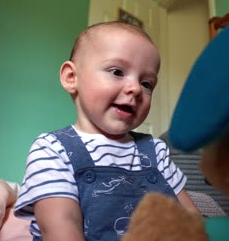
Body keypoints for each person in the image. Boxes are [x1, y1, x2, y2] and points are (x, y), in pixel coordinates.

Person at [14, 21, 199, 241]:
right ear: (71, 78)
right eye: (117, 71)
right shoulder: (52, 149)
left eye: (147, 83)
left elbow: (191, 218)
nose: (136, 88)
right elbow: (61, 227)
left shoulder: (156, 150)